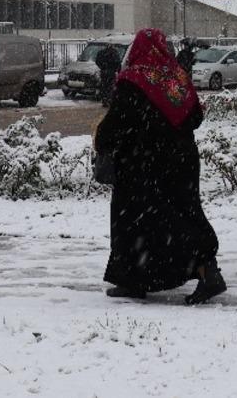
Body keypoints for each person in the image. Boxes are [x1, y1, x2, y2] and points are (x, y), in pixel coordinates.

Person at [94, 28, 226, 304]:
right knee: (183, 215)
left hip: (142, 165)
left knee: (135, 223)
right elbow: (196, 117)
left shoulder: (133, 80)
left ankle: (134, 278)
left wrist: (103, 140)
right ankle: (205, 269)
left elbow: (115, 124)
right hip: (182, 162)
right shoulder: (177, 78)